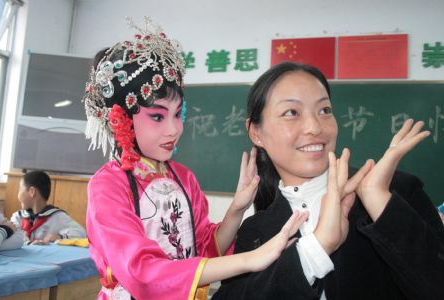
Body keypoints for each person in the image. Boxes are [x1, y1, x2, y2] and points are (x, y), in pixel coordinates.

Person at [83, 17, 310, 300]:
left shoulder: (182, 177)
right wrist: (251, 258)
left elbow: (204, 249)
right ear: (122, 119)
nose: (175, 128)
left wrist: (237, 208)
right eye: (157, 116)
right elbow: (142, 273)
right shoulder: (108, 185)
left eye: (178, 114)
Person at [213, 62, 444, 300]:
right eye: (291, 113)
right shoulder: (255, 231)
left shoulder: (396, 192)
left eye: (324, 110)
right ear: (256, 133)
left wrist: (380, 201)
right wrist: (315, 250)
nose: (315, 127)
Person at [11, 170, 86, 245]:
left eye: (20, 189)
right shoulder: (18, 217)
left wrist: (60, 237)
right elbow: (12, 238)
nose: (18, 195)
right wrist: (28, 243)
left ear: (32, 191)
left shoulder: (57, 216)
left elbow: (82, 234)